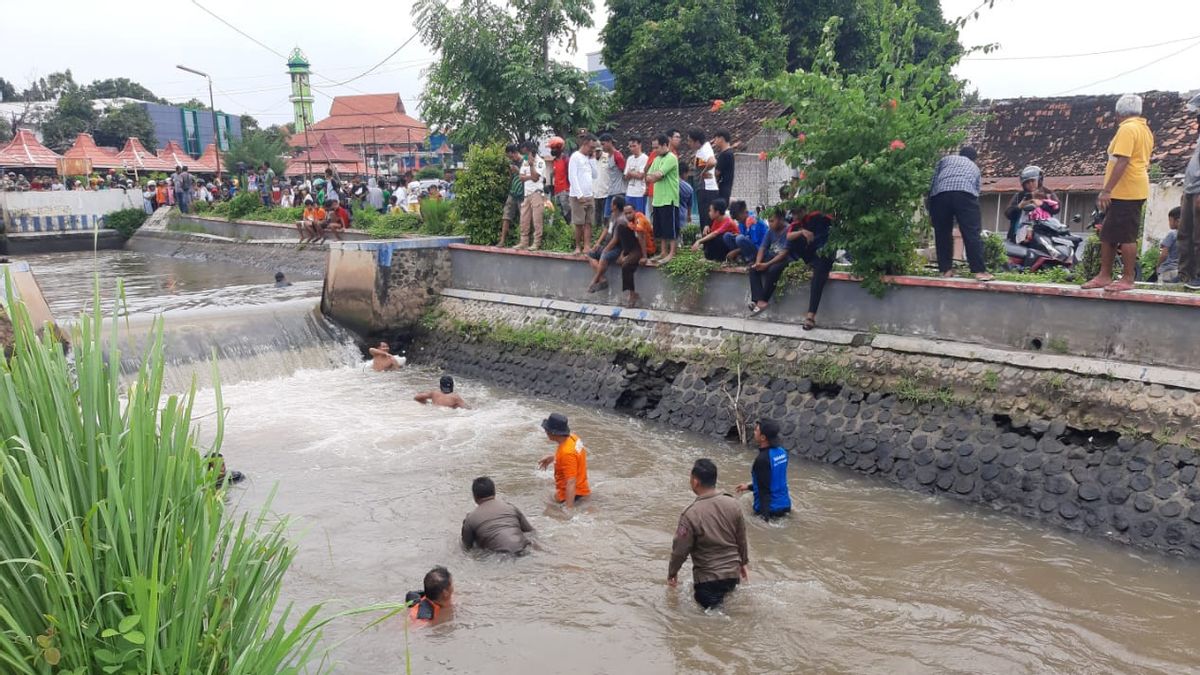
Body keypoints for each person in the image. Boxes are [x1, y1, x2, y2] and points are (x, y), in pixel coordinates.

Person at [1083, 94, 1155, 293]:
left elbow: (1122, 160)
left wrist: (1107, 190)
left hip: (1126, 190)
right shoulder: (1144, 128)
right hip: (1132, 188)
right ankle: (1105, 275)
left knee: (1125, 235)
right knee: (1108, 233)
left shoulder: (1127, 129)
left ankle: (1127, 278)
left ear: (1118, 114)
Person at [668, 458, 749, 610]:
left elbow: (679, 550)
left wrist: (672, 573)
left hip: (707, 580)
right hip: (732, 575)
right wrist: (743, 562)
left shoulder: (690, 514)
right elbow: (741, 539)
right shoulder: (733, 504)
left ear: (695, 481)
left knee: (709, 623)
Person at [928, 146, 992, 281]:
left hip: (941, 194)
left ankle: (946, 270)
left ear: (960, 154)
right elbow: (976, 192)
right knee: (971, 232)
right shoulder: (974, 167)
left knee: (942, 233)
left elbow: (933, 182)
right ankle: (979, 271)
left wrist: (931, 208)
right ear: (974, 159)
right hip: (965, 193)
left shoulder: (946, 159)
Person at [785, 208, 837, 330]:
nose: (794, 216)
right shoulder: (798, 222)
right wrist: (802, 231)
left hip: (824, 253)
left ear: (804, 210)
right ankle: (806, 262)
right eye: (793, 214)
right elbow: (788, 236)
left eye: (796, 213)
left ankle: (811, 316)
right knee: (795, 239)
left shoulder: (819, 217)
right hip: (811, 254)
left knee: (818, 279)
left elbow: (833, 221)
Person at [461, 476, 535, 555]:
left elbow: (467, 548)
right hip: (524, 549)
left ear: (474, 497)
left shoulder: (470, 518)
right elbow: (531, 532)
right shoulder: (510, 507)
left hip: (498, 557)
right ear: (494, 492)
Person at [736, 419, 792, 520]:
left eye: (756, 430)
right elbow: (773, 479)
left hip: (769, 510)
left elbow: (764, 491)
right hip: (785, 505)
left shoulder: (762, 459)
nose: (754, 432)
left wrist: (764, 519)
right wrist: (748, 487)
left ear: (763, 437)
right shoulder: (782, 452)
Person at [536, 413, 591, 510]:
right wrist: (554, 457)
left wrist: (568, 509)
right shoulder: (573, 438)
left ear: (552, 433)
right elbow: (574, 457)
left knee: (544, 504)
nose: (545, 431)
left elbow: (571, 482)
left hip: (572, 495)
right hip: (582, 488)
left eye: (546, 430)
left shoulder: (567, 453)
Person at [747, 208, 795, 315]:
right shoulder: (770, 231)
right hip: (772, 256)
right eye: (769, 221)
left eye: (772, 221)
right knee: (753, 268)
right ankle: (757, 300)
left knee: (773, 270)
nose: (770, 223)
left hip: (785, 259)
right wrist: (758, 263)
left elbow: (784, 253)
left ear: (781, 219)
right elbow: (762, 248)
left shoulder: (789, 230)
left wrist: (767, 265)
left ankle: (763, 300)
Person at [646, 133, 681, 264]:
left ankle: (671, 253)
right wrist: (655, 176)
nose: (655, 150)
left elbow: (658, 175)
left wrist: (655, 176)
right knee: (660, 228)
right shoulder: (656, 159)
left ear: (665, 145)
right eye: (654, 148)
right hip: (658, 199)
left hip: (670, 198)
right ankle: (663, 252)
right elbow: (648, 177)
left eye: (657, 147)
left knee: (670, 228)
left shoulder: (671, 158)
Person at [1004, 166, 1061, 242]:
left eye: (1032, 181)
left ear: (1039, 180)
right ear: (1023, 184)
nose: (1030, 184)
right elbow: (1008, 214)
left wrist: (1042, 204)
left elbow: (1057, 209)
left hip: (1044, 233)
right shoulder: (1019, 196)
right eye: (1027, 182)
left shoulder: (1048, 193)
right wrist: (1019, 206)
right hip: (1020, 236)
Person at [1180, 93, 1200, 289]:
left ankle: (1198, 276)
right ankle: (1185, 274)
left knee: (1198, 236)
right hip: (1190, 189)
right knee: (1185, 233)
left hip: (1198, 191)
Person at [587, 194, 627, 292]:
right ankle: (602, 279)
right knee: (591, 254)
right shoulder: (613, 216)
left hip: (617, 248)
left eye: (612, 203)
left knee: (604, 257)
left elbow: (615, 240)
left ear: (615, 206)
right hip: (608, 245)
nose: (610, 205)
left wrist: (605, 250)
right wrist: (598, 243)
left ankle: (594, 280)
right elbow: (606, 229)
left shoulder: (621, 220)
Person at [568, 134, 597, 255]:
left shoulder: (588, 158)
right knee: (579, 223)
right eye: (591, 147)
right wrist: (579, 195)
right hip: (578, 196)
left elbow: (595, 175)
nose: (592, 150)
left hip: (589, 194)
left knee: (588, 222)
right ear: (584, 144)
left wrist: (593, 159)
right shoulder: (575, 157)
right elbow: (572, 177)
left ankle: (587, 246)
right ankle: (577, 247)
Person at [517, 140, 547, 250]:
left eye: (526, 153)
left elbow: (535, 178)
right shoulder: (525, 161)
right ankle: (524, 241)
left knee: (537, 219)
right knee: (524, 219)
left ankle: (536, 243)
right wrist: (529, 176)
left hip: (536, 193)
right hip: (527, 193)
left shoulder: (540, 162)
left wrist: (531, 166)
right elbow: (521, 177)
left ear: (531, 151)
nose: (524, 155)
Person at [688, 128, 719, 231]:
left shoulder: (705, 149)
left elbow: (712, 162)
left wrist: (703, 172)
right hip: (705, 189)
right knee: (705, 220)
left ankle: (708, 245)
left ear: (697, 142)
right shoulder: (702, 149)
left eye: (690, 141)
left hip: (707, 190)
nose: (689, 144)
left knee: (706, 221)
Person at [727, 200, 768, 264]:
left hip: (760, 250)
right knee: (728, 236)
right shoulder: (742, 221)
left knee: (739, 238)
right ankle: (739, 257)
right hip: (749, 246)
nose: (738, 221)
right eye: (737, 219)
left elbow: (756, 244)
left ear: (744, 212)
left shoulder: (754, 221)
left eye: (738, 218)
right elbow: (745, 236)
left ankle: (751, 259)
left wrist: (736, 251)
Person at [599, 133, 626, 224]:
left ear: (610, 142)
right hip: (610, 190)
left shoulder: (617, 156)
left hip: (619, 191)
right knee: (607, 216)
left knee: (618, 217)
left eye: (603, 144)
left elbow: (624, 173)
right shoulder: (608, 156)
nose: (602, 147)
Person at [500, 143, 523, 247]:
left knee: (523, 218)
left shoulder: (525, 161)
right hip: (512, 192)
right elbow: (511, 178)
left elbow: (529, 177)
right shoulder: (512, 163)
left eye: (510, 156)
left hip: (522, 193)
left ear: (514, 152)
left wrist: (518, 171)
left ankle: (522, 241)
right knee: (506, 215)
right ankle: (502, 240)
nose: (510, 158)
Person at [624, 136, 650, 215]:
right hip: (630, 192)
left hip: (640, 193)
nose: (632, 148)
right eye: (630, 146)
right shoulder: (629, 159)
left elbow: (641, 176)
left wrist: (630, 173)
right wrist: (634, 173)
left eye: (634, 146)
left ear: (640, 145)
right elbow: (625, 177)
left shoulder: (644, 158)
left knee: (639, 215)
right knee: (628, 215)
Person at [1156, 207, 1181, 283]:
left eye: (1170, 220)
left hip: (1168, 270)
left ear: (1178, 221)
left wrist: (1158, 265)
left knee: (1162, 291)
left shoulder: (1172, 234)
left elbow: (1164, 254)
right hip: (1181, 271)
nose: (1169, 223)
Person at [712, 129, 735, 205]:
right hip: (727, 188)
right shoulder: (730, 153)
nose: (714, 141)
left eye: (715, 139)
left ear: (721, 139)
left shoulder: (724, 154)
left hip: (722, 189)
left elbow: (716, 173)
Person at [550, 136, 571, 222]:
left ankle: (571, 230)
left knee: (567, 213)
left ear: (559, 148)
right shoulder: (554, 161)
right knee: (559, 214)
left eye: (554, 148)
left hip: (565, 190)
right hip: (556, 191)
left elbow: (570, 175)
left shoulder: (566, 160)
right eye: (552, 148)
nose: (552, 150)